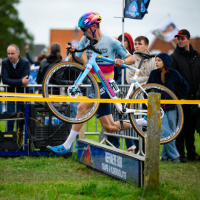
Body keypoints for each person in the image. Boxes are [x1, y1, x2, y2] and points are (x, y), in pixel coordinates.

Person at [47, 11, 135, 155]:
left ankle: (67, 145)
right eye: (82, 30)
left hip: (108, 84)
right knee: (110, 127)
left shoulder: (111, 41)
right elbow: (78, 61)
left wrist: (122, 61)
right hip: (96, 85)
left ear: (94, 26)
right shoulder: (85, 41)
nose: (83, 32)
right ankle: (142, 123)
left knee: (82, 108)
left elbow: (131, 58)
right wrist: (72, 52)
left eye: (85, 28)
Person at [146, 53, 189, 163]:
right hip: (158, 108)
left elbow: (185, 85)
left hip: (172, 107)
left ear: (165, 62)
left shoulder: (173, 74)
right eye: (156, 60)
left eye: (159, 60)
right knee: (165, 131)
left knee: (172, 132)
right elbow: (147, 87)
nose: (156, 62)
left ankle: (165, 156)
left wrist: (183, 98)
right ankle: (175, 156)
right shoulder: (153, 74)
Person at [170, 29, 200, 162]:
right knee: (180, 128)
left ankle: (192, 154)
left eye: (182, 38)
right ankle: (181, 154)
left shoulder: (197, 56)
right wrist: (178, 96)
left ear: (188, 39)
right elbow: (173, 78)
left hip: (195, 98)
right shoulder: (174, 57)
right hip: (181, 98)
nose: (180, 41)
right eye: (178, 39)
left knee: (192, 127)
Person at [108, 32, 136, 153]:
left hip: (129, 90)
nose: (121, 43)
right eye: (120, 40)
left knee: (127, 116)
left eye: (124, 40)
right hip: (116, 90)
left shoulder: (133, 56)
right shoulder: (115, 55)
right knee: (113, 118)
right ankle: (113, 145)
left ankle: (131, 145)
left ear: (129, 43)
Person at [2, 44, 30, 132]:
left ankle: (20, 142)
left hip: (22, 95)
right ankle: (9, 141)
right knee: (10, 119)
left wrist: (15, 82)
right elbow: (5, 80)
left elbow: (25, 80)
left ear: (18, 53)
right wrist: (20, 82)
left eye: (12, 53)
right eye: (8, 53)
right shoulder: (5, 62)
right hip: (10, 94)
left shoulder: (25, 62)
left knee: (20, 120)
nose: (10, 56)